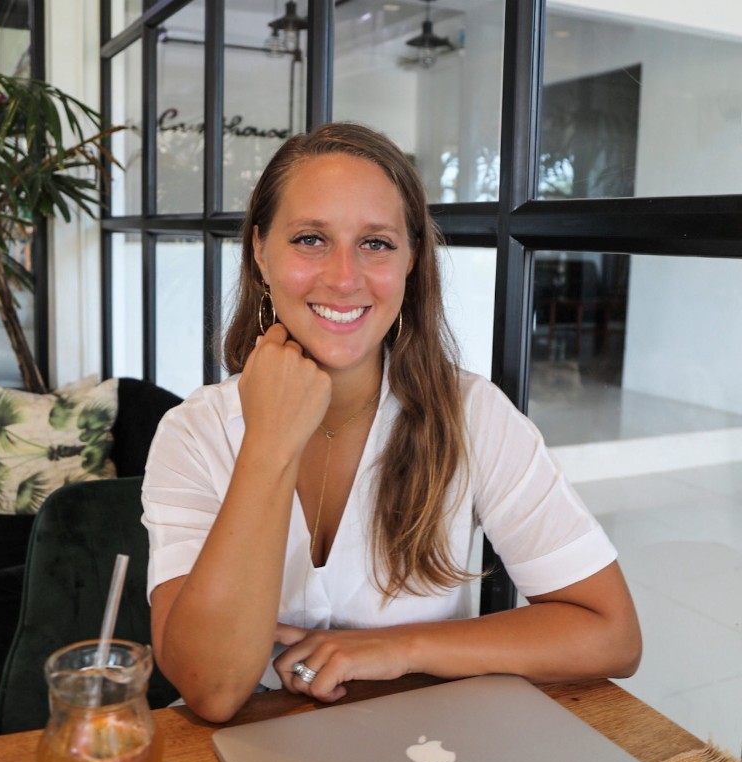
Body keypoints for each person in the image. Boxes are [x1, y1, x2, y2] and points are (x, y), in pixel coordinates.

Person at [142, 122, 641, 724]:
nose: (344, 277)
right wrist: (269, 445)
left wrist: (397, 647)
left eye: (376, 243)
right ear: (260, 252)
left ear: (411, 260)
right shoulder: (192, 433)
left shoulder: (472, 415)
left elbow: (611, 634)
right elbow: (212, 690)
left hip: (422, 745)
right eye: (310, 239)